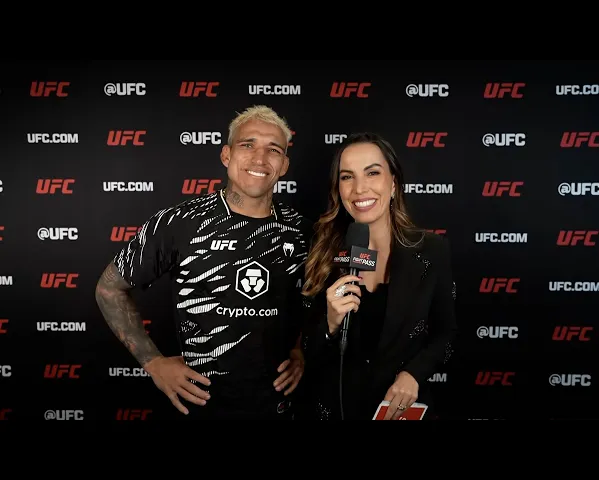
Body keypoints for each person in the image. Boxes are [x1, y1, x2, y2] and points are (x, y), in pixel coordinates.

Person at [94, 105, 313, 420]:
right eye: (247, 145)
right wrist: (153, 363)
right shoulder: (179, 222)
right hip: (200, 405)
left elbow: (312, 303)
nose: (260, 158)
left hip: (278, 406)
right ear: (226, 155)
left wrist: (299, 349)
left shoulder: (303, 231)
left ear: (284, 165)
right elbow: (108, 289)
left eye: (273, 149)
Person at [297, 132, 457, 420]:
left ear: (393, 182)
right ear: (338, 188)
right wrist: (330, 323)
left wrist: (414, 375)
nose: (360, 188)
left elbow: (446, 335)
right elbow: (305, 351)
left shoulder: (432, 250)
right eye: (347, 177)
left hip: (397, 411)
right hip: (333, 410)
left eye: (372, 173)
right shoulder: (321, 250)